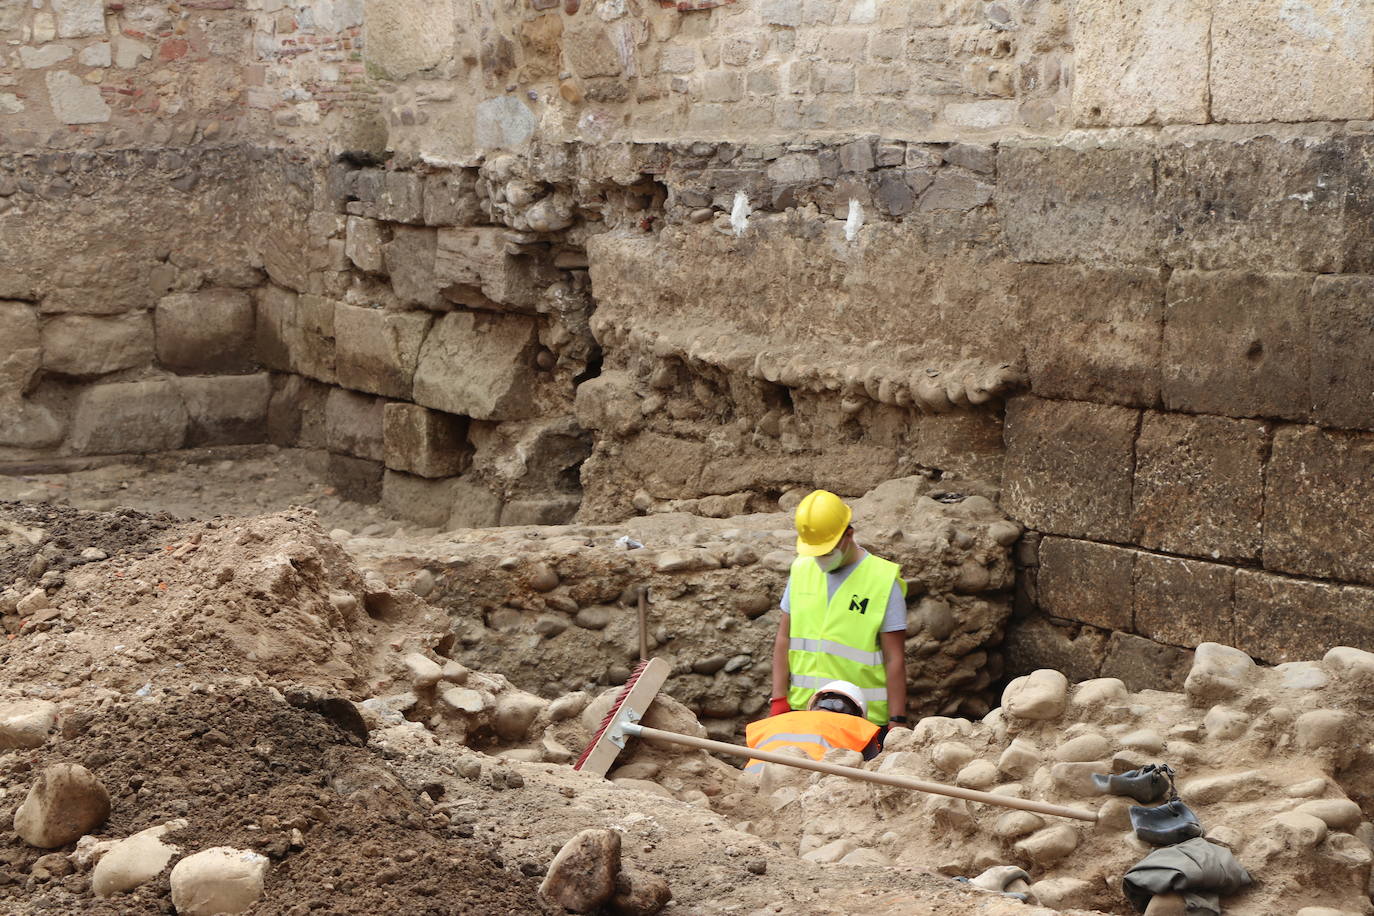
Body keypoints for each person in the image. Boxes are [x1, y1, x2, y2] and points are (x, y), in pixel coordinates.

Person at [769, 489, 908, 728]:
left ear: (849, 535)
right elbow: (784, 638)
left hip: (860, 717)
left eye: (826, 551)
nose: (821, 558)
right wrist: (779, 698)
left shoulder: (883, 580)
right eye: (816, 552)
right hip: (804, 710)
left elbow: (894, 658)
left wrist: (897, 720)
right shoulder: (801, 570)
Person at [744, 680, 882, 773]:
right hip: (806, 788)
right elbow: (874, 769)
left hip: (751, 782)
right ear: (857, 714)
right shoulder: (857, 728)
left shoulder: (773, 722)